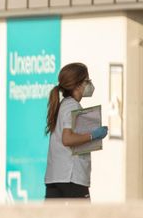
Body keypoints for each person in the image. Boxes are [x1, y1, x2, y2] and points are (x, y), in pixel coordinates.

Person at [44, 62, 109, 200]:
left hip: (56, 178)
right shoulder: (72, 106)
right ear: (78, 85)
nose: (90, 84)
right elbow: (67, 139)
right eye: (87, 81)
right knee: (82, 214)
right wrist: (93, 135)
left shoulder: (63, 105)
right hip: (71, 178)